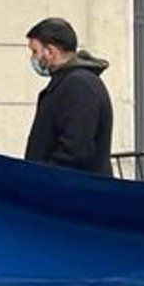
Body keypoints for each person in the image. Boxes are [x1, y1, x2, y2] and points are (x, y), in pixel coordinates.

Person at [23, 17, 114, 174]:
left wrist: (43, 177)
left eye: (35, 51)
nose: (34, 58)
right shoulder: (68, 82)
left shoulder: (79, 85)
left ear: (50, 51)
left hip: (76, 190)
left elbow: (75, 149)